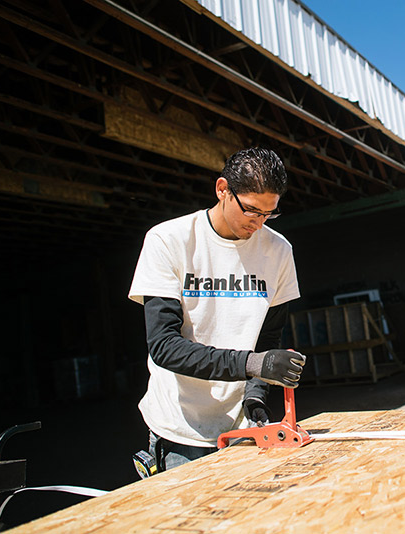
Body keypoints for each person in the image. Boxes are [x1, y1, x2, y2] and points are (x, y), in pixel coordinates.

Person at [128, 146, 306, 473]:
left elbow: (268, 337)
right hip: (178, 429)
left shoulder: (279, 251)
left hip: (242, 426)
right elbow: (164, 347)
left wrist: (255, 394)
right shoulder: (169, 241)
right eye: (252, 211)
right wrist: (252, 364)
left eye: (269, 214)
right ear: (222, 189)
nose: (259, 223)